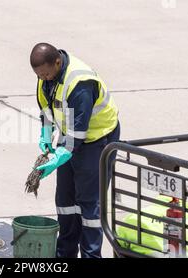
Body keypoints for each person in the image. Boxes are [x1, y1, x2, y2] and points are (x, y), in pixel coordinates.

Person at [30, 43, 120, 258]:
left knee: (89, 203)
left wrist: (58, 158)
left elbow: (79, 133)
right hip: (71, 138)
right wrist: (45, 133)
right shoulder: (46, 76)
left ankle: (90, 255)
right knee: (65, 201)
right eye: (39, 75)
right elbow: (47, 107)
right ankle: (65, 254)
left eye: (46, 73)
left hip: (97, 141)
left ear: (58, 62)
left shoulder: (80, 83)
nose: (44, 78)